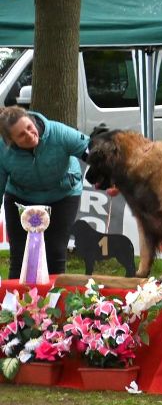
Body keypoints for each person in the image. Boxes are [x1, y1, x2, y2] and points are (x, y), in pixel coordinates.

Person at [0, 106, 90, 278]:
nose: (29, 135)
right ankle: (14, 296)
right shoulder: (2, 150)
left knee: (55, 252)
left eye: (29, 127)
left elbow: (91, 150)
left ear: (33, 121)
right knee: (19, 256)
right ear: (10, 141)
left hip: (63, 195)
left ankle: (55, 295)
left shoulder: (59, 133)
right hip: (20, 197)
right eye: (21, 135)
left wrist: (112, 179)